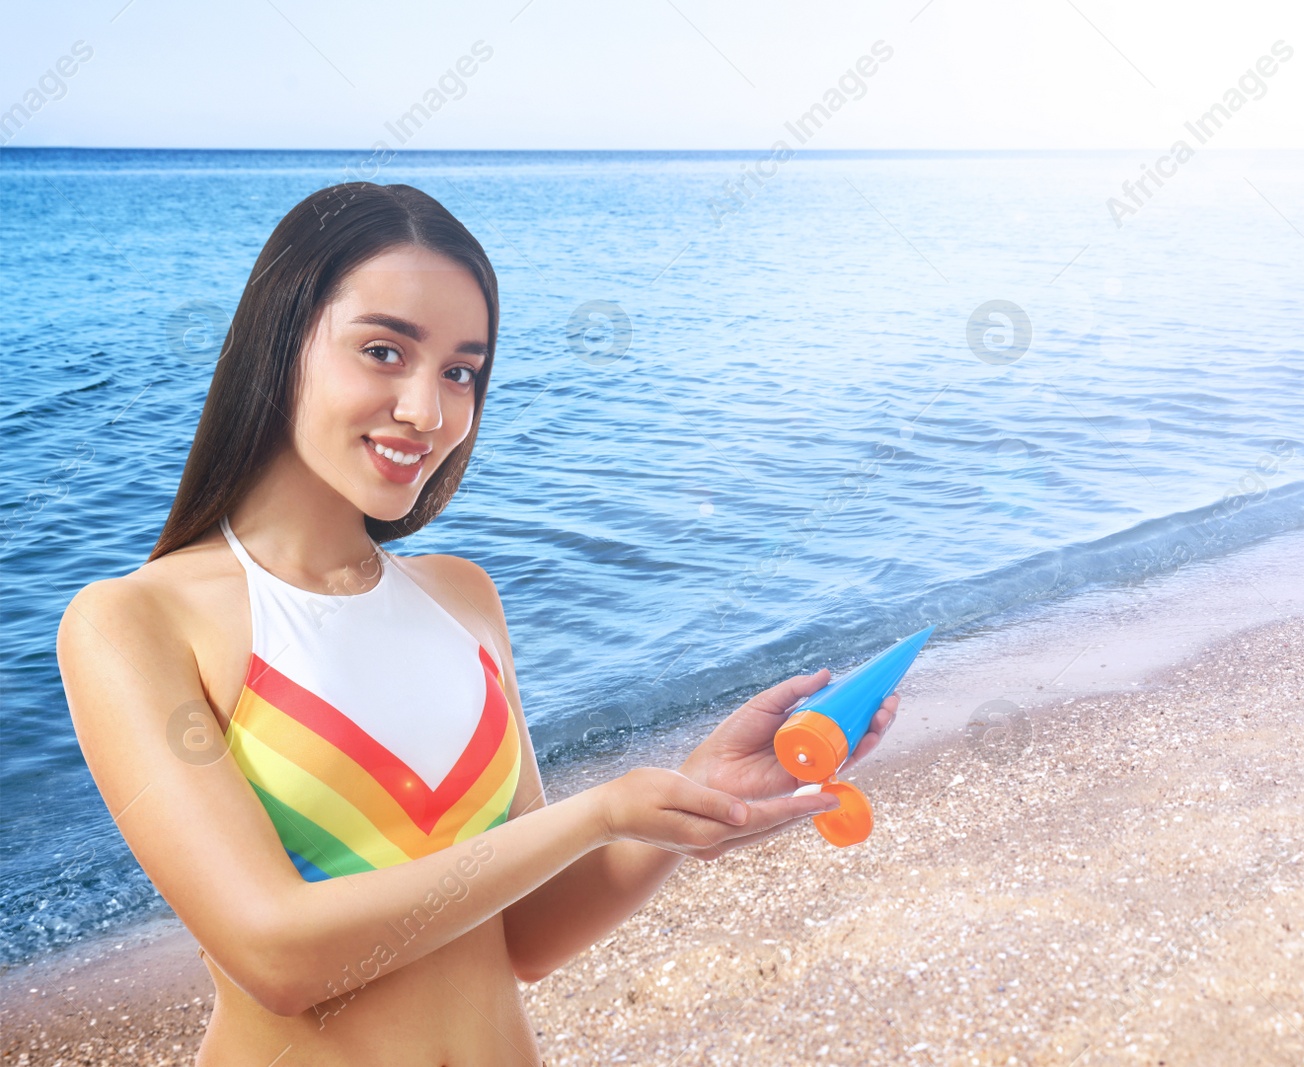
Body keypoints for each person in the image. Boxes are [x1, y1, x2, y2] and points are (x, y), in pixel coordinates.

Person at [55, 182, 899, 1065]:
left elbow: (526, 936)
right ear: (279, 344)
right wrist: (598, 812)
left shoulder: (461, 598)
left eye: (461, 370)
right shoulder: (135, 622)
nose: (429, 411)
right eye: (384, 351)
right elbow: (277, 954)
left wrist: (691, 795)